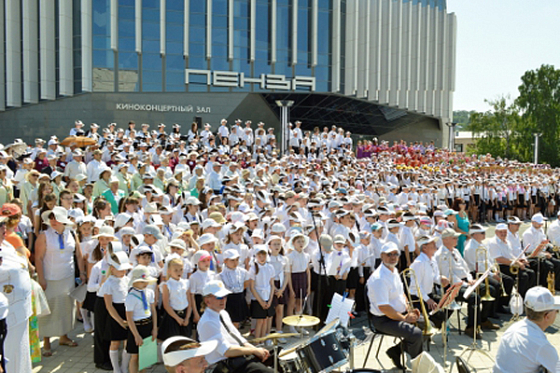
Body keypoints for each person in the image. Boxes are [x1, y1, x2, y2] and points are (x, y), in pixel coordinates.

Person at [35, 206, 86, 356]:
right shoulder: (44, 236)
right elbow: (38, 258)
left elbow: (78, 255)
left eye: (55, 218)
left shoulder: (72, 233)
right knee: (49, 310)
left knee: (66, 308)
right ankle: (46, 342)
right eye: (50, 218)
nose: (52, 221)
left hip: (67, 277)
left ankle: (64, 337)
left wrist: (82, 272)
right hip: (50, 278)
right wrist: (42, 278)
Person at [367, 241, 423, 370]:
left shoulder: (394, 270)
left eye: (395, 254)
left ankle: (396, 351)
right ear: (381, 256)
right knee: (415, 334)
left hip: (397, 315)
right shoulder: (379, 278)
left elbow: (401, 294)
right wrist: (404, 319)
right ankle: (418, 368)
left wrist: (409, 310)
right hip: (383, 320)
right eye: (389, 254)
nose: (393, 257)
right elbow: (384, 308)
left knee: (426, 324)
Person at [197, 280, 273, 373]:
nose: (223, 300)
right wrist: (253, 351)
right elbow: (227, 351)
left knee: (274, 354)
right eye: (219, 297)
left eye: (225, 296)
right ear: (207, 301)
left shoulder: (223, 313)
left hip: (235, 358)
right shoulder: (207, 322)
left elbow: (239, 339)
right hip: (222, 365)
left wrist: (255, 349)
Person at [493, 287, 560, 373]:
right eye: (556, 311)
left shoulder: (514, 328)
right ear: (547, 316)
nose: (557, 313)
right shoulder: (542, 345)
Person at [0, 216, 33, 373]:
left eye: (3, 224)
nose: (3, 228)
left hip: (21, 310)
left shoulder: (6, 245)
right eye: (0, 226)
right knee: (10, 357)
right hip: (8, 315)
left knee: (21, 355)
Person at [408, 235, 450, 329]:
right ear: (424, 247)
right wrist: (427, 299)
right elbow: (416, 285)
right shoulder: (419, 263)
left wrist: (441, 279)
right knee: (439, 315)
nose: (435, 244)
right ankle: (428, 330)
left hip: (427, 294)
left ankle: (431, 329)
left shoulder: (432, 259)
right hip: (418, 298)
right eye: (432, 243)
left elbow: (434, 277)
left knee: (448, 305)